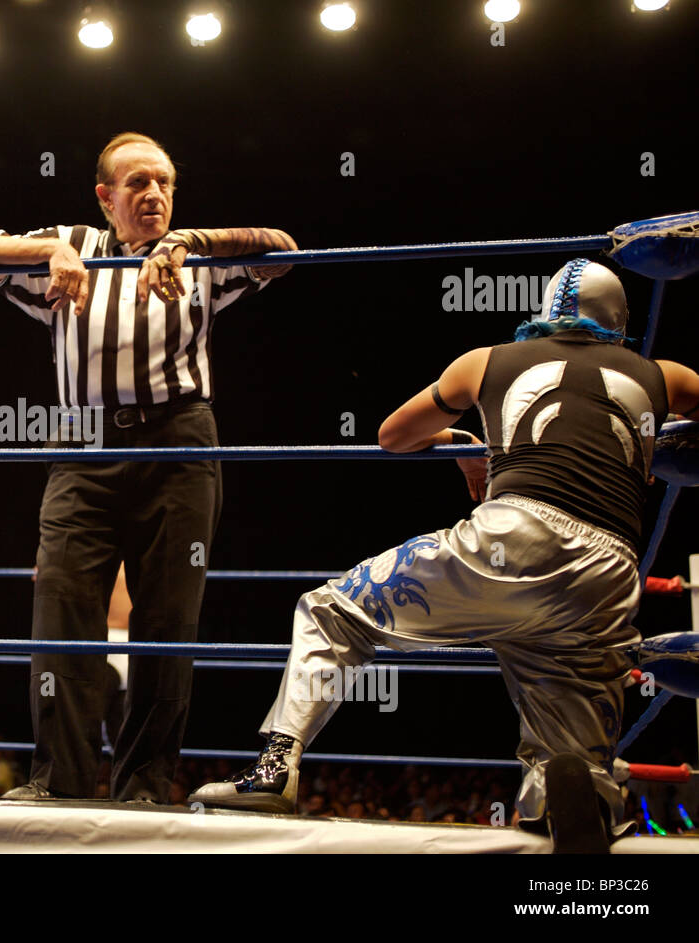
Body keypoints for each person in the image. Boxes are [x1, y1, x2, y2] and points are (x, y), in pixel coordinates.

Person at [190, 258, 699, 852]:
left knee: (331, 610)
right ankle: (571, 793)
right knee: (571, 752)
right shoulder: (668, 376)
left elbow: (392, 435)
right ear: (618, 318)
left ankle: (273, 770)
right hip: (609, 572)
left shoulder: (484, 362)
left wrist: (465, 440)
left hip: (513, 537)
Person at [0, 131, 297, 802]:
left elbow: (283, 251)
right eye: (138, 183)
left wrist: (187, 242)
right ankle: (60, 780)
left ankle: (145, 782)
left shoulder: (193, 255)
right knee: (61, 609)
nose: (154, 194)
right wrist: (52, 250)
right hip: (83, 447)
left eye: (165, 183)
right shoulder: (73, 243)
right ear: (105, 196)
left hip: (180, 444)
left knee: (168, 618)